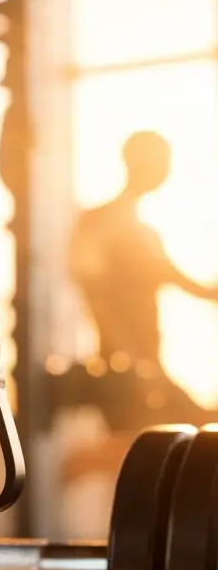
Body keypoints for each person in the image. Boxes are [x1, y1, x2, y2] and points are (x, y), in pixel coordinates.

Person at [63, 131, 218, 485]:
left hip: (148, 358)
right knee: (143, 443)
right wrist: (123, 350)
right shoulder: (100, 222)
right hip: (123, 360)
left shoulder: (145, 233)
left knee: (179, 436)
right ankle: (52, 480)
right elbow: (91, 287)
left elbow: (190, 285)